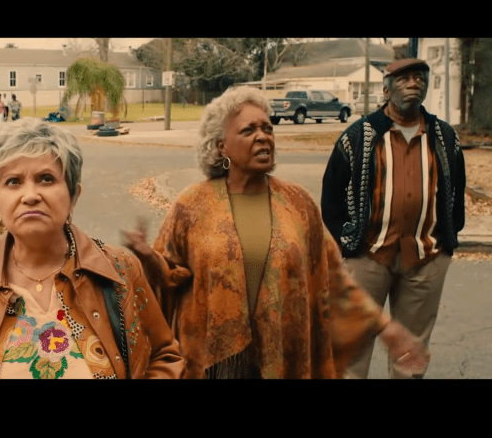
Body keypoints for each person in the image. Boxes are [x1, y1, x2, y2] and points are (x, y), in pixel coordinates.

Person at [122, 85, 428, 379]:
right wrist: (147, 257)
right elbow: (167, 280)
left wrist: (385, 327)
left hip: (283, 360)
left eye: (267, 128)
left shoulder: (298, 203)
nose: (262, 137)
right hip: (211, 364)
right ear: (221, 146)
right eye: (248, 130)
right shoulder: (191, 205)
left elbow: (333, 279)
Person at [0, 118, 183, 379]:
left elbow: (164, 355)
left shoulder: (120, 271)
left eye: (46, 179)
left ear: (73, 196)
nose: (30, 195)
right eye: (13, 182)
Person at [321, 59, 466, 379]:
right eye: (404, 79)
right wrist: (347, 241)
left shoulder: (444, 136)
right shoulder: (358, 136)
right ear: (386, 90)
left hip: (426, 257)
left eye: (419, 78)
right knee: (351, 348)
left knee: (411, 352)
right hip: (367, 257)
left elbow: (456, 189)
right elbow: (331, 196)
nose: (413, 83)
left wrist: (446, 242)